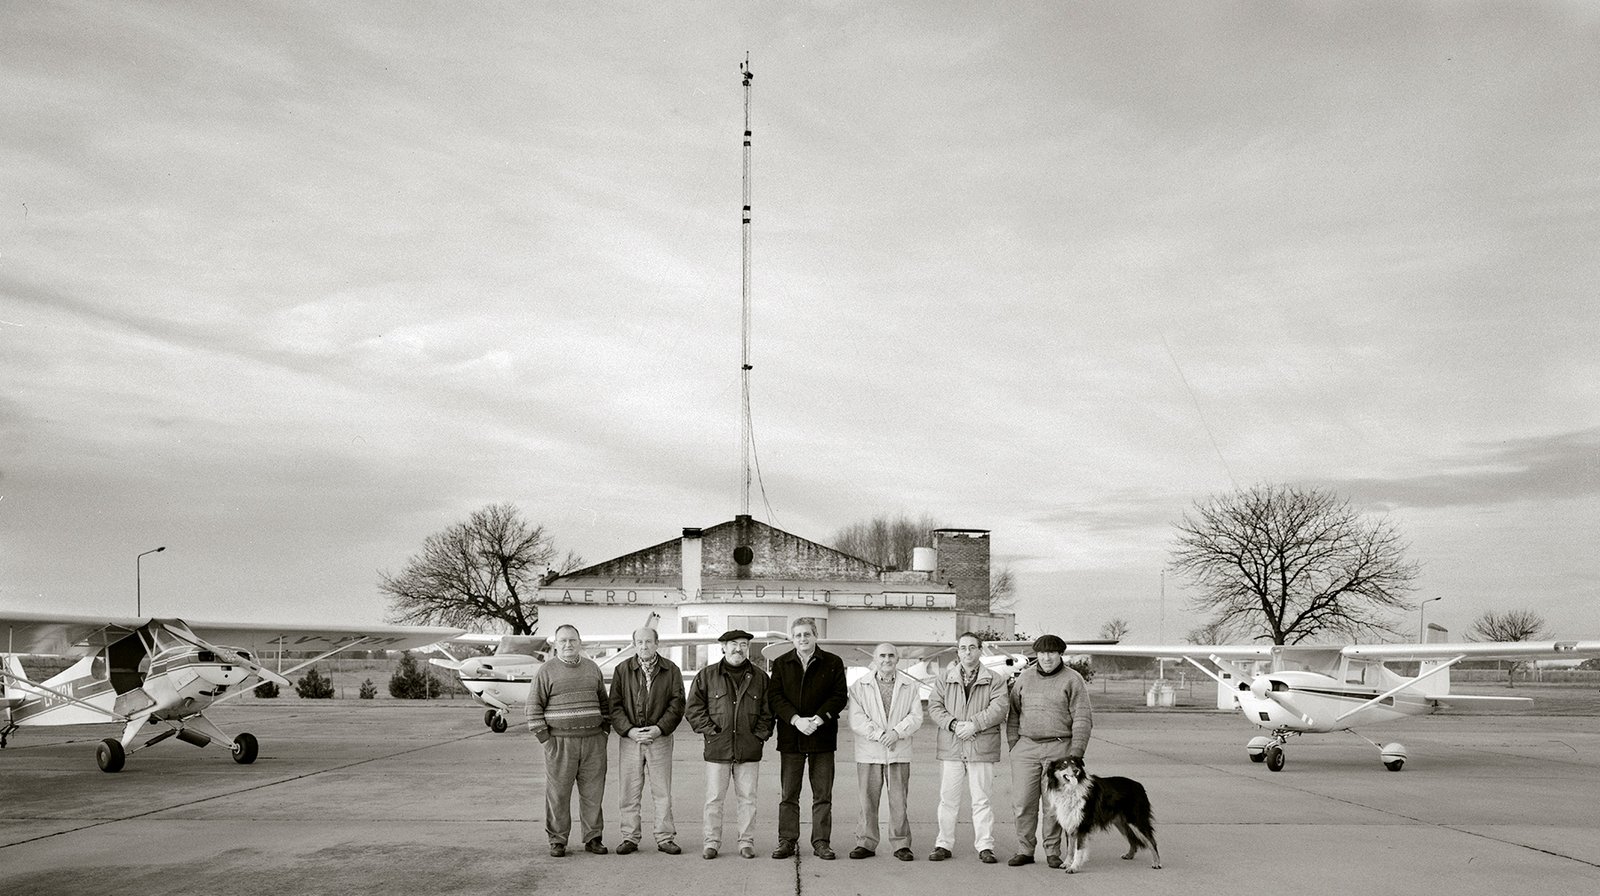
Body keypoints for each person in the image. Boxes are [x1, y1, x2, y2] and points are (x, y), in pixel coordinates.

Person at [684, 629, 774, 860]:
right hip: (718, 749)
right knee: (714, 799)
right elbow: (693, 709)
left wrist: (759, 736)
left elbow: (768, 712)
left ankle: (746, 842)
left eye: (744, 644)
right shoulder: (707, 675)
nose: (739, 648)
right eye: (733, 644)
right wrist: (711, 732)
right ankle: (711, 842)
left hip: (749, 749)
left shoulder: (760, 677)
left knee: (748, 799)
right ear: (723, 647)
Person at [1005, 633, 1093, 868]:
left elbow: (1083, 718)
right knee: (1023, 802)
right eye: (1042, 653)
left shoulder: (1073, 680)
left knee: (1054, 805)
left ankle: (1052, 851)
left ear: (1060, 654)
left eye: (1051, 652)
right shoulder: (1024, 679)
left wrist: (1076, 754)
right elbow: (1013, 714)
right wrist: (1014, 746)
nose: (1046, 657)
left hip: (1060, 749)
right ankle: (1025, 849)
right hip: (1026, 747)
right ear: (1036, 654)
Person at [526, 624, 611, 858]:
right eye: (562, 641)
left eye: (572, 640)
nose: (568, 645)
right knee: (558, 794)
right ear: (555, 645)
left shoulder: (593, 668)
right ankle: (558, 840)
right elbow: (533, 708)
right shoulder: (546, 671)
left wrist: (604, 731)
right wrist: (546, 739)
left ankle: (593, 838)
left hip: (593, 742)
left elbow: (604, 703)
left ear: (580, 642)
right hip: (560, 743)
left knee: (593, 793)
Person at [769, 616, 849, 860]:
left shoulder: (833, 662)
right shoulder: (781, 663)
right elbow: (775, 697)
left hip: (822, 737)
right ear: (792, 639)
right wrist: (795, 720)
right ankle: (787, 841)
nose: (802, 639)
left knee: (822, 794)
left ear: (815, 636)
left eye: (807, 634)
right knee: (789, 794)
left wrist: (817, 720)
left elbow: (839, 696)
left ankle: (821, 842)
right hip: (791, 738)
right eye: (798, 635)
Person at [926, 631, 1009, 864]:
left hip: (980, 746)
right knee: (947, 799)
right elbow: (934, 706)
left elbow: (1000, 707)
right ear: (957, 651)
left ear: (980, 650)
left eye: (972, 647)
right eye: (963, 648)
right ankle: (943, 844)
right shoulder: (944, 678)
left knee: (981, 799)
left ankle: (985, 846)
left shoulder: (995, 679)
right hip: (951, 746)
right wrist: (953, 724)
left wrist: (974, 725)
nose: (967, 652)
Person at [609, 626, 686, 855]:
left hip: (659, 739)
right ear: (634, 644)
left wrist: (660, 728)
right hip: (631, 739)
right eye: (640, 642)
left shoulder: (671, 670)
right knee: (629, 791)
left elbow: (677, 703)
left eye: (648, 642)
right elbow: (615, 706)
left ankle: (665, 838)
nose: (644, 646)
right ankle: (629, 837)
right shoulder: (622, 670)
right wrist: (629, 731)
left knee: (662, 791)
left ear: (657, 644)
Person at [845, 642, 924, 861]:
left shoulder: (910, 686)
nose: (887, 659)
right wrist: (880, 734)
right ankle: (865, 843)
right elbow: (856, 718)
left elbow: (916, 716)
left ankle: (901, 844)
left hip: (898, 749)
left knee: (899, 800)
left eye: (891, 655)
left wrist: (897, 732)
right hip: (869, 751)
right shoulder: (860, 686)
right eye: (882, 655)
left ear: (897, 659)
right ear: (874, 658)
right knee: (867, 800)